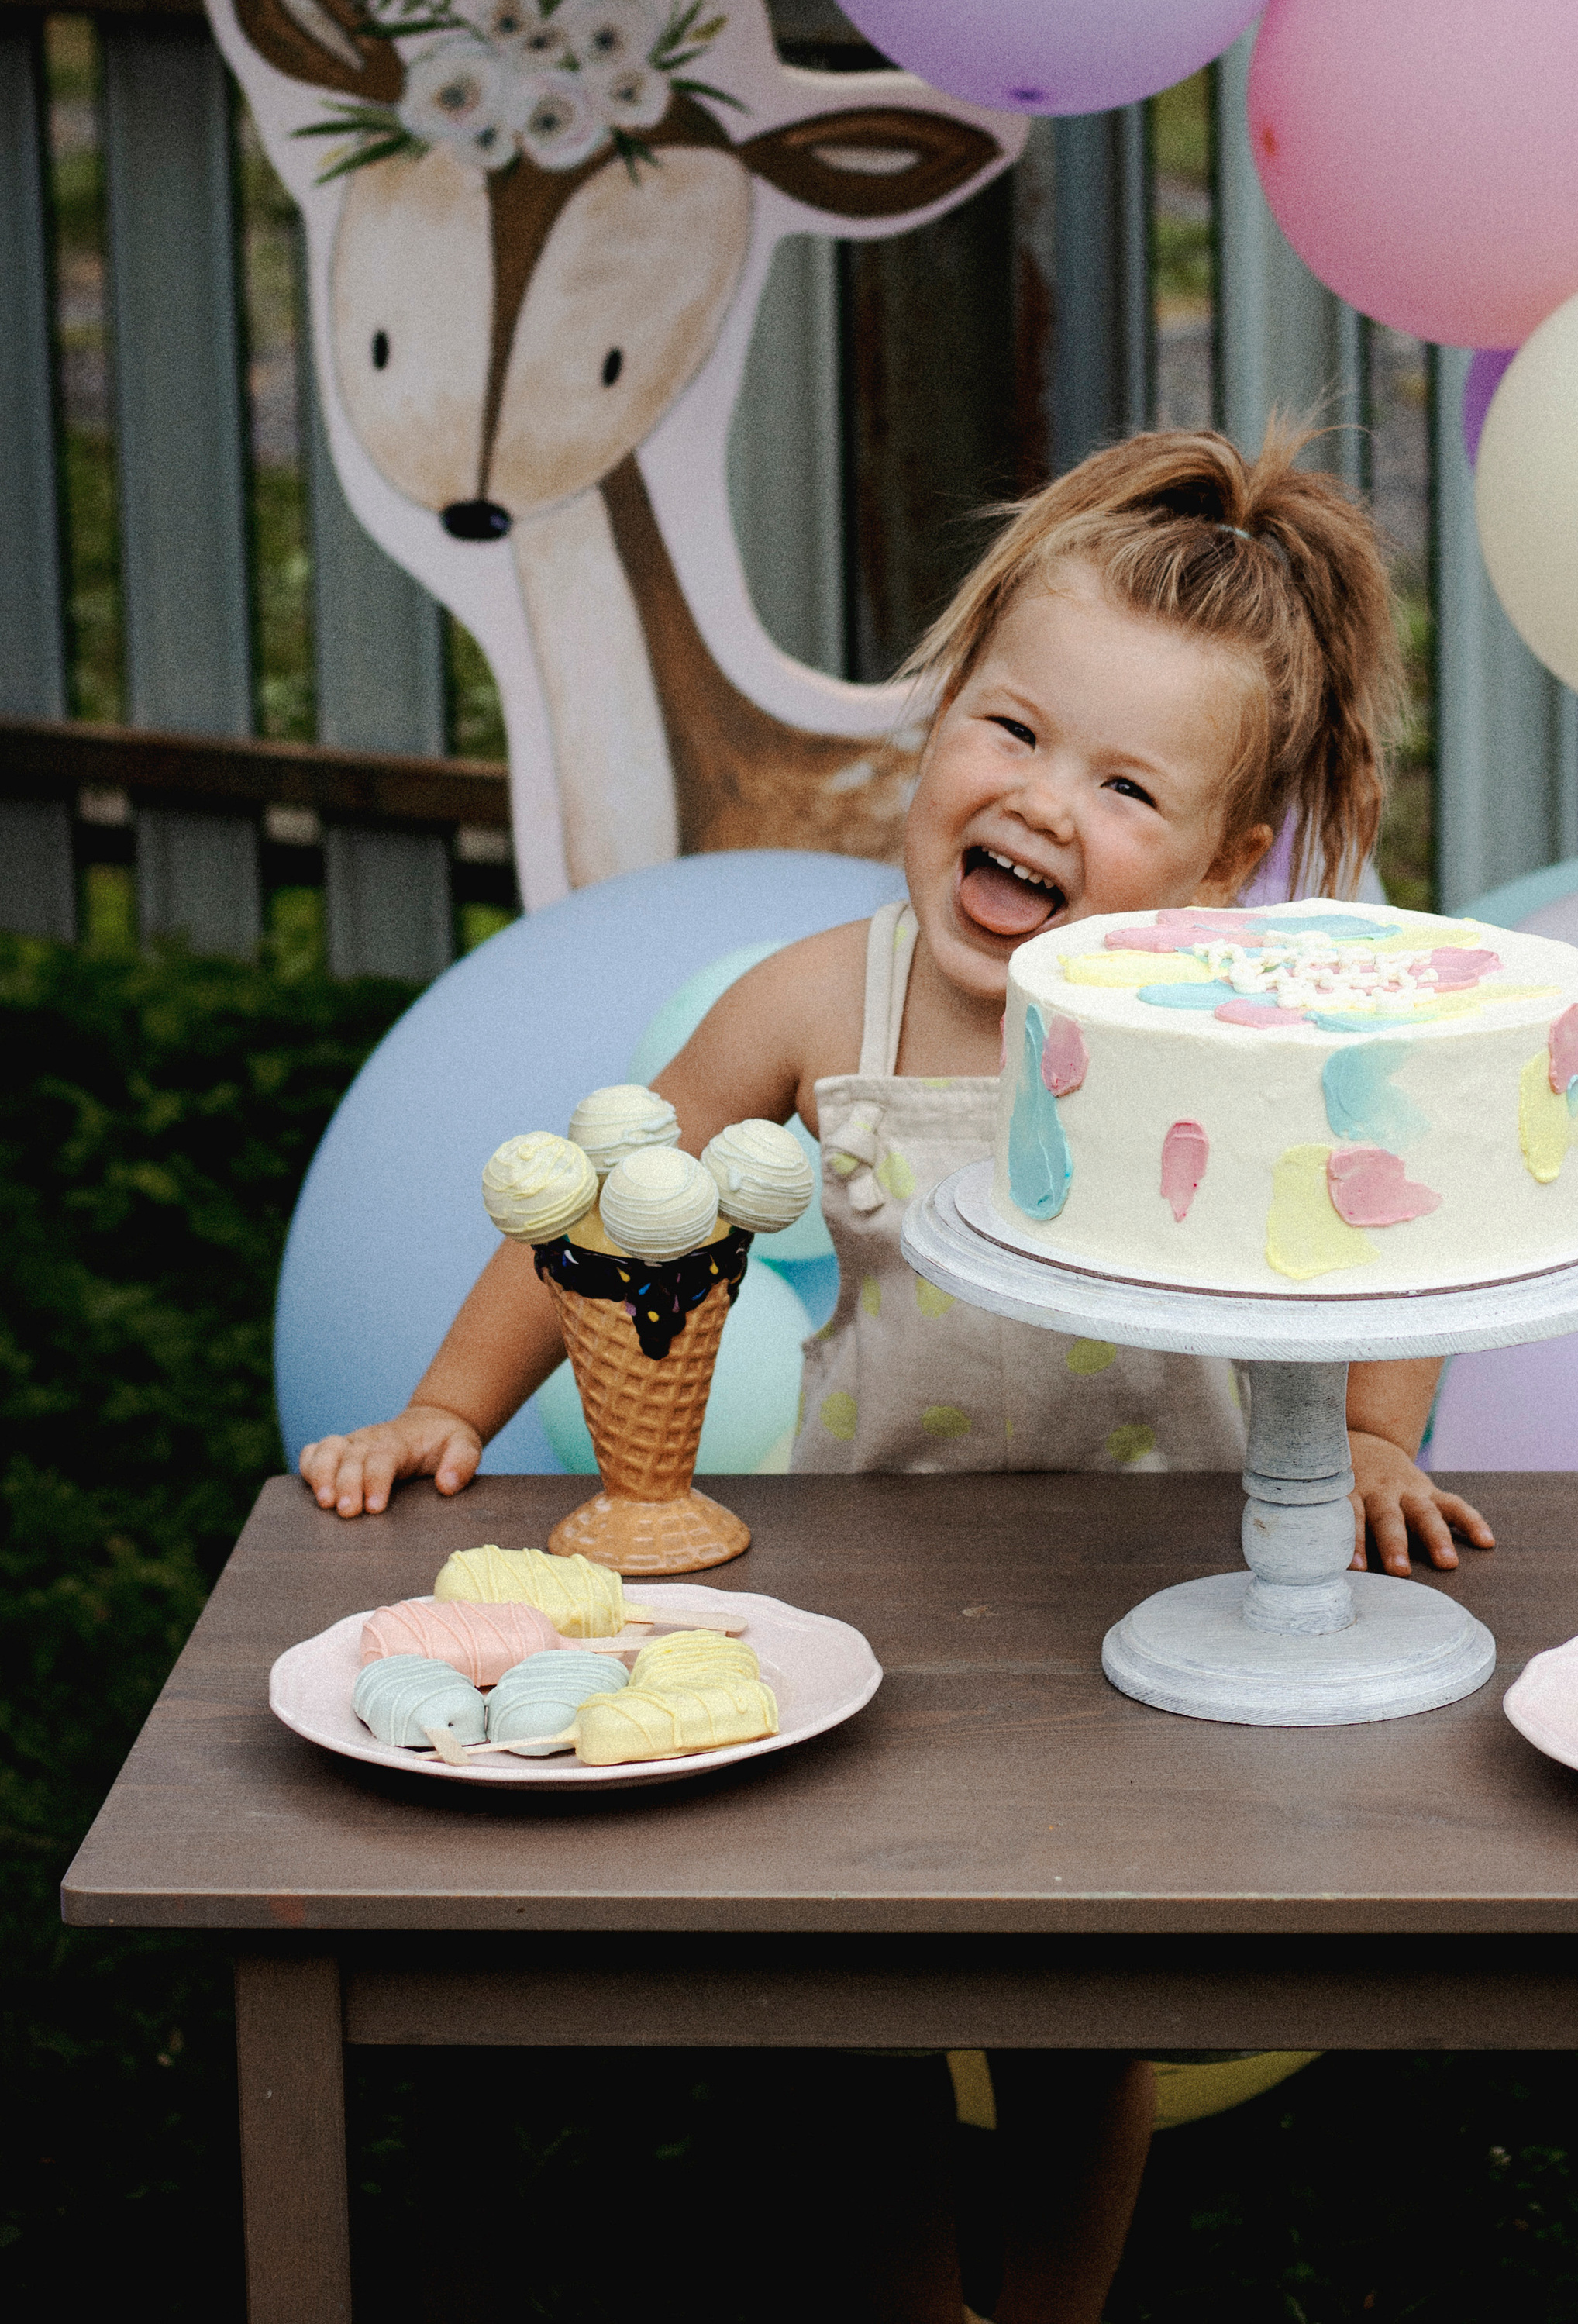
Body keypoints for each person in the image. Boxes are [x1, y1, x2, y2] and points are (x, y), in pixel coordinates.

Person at [300, 420, 1494, 2323]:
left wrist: (1365, 1436)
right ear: (940, 724)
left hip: (1144, 1592)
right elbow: (615, 1202)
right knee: (833, 2017)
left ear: (1221, 866)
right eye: (1011, 730)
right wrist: (452, 1402)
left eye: (1125, 785)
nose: (1041, 801)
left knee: (1075, 2021)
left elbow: (1392, 1224)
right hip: (867, 1588)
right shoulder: (820, 1000)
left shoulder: (1232, 1028)